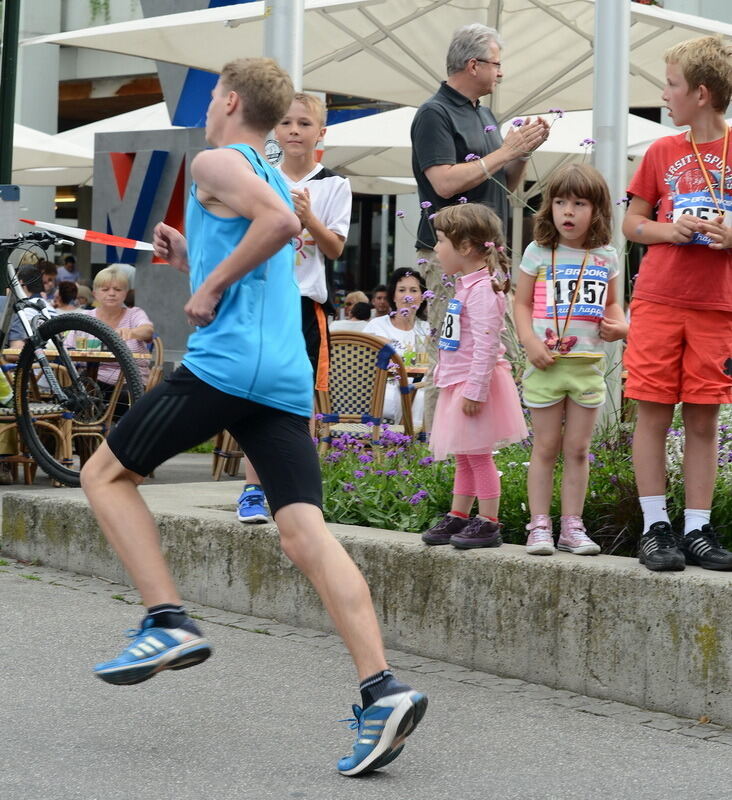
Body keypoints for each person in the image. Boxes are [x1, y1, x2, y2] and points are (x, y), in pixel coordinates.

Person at [79, 58, 426, 776]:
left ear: (230, 101)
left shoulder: (216, 160)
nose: (205, 113)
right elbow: (271, 237)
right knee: (304, 531)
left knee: (104, 474)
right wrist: (192, 258)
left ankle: (166, 619)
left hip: (229, 365)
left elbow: (268, 230)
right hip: (284, 379)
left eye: (210, 101)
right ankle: (380, 687)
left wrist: (205, 285)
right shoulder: (272, 174)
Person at [622, 35, 732, 572]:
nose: (664, 94)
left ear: (703, 94)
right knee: (653, 414)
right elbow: (631, 223)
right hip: (660, 300)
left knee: (704, 420)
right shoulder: (661, 152)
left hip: (718, 307)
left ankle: (697, 528)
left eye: (671, 84)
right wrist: (670, 229)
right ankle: (654, 526)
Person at [410, 23, 549, 428]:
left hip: (489, 255)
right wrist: (505, 149)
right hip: (451, 256)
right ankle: (442, 456)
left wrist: (520, 153)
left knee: (496, 351)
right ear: (473, 65)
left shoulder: (482, 113)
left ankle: (483, 447)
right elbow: (444, 182)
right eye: (496, 64)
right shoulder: (433, 113)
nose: (500, 73)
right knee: (450, 353)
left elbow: (501, 184)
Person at [235, 91, 352, 524]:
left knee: (299, 401)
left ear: (320, 133)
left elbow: (335, 248)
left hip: (305, 305)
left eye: (304, 124)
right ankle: (251, 488)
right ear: (275, 130)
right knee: (255, 394)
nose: (294, 131)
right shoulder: (261, 178)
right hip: (264, 301)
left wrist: (308, 217)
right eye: (286, 123)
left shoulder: (334, 184)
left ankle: (295, 493)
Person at [514, 164, 628, 556]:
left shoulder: (607, 255)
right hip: (546, 365)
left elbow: (613, 303)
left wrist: (620, 326)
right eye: (561, 201)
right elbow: (522, 302)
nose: (568, 211)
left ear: (597, 210)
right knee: (545, 447)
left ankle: (572, 526)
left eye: (579, 203)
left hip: (587, 368)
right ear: (550, 207)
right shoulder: (538, 251)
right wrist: (529, 342)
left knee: (578, 450)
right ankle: (539, 525)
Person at [421, 204, 527, 548]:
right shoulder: (468, 286)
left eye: (440, 241)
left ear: (465, 247)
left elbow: (486, 342)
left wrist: (476, 389)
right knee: (464, 454)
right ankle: (460, 514)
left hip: (473, 384)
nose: (436, 249)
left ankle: (489, 521)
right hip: (459, 381)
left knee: (478, 454)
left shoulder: (483, 290)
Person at [363, 268, 431, 428]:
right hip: (382, 389)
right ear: (393, 296)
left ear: (422, 297)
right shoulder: (377, 326)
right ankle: (406, 442)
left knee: (426, 397)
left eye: (414, 290)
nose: (407, 295)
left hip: (420, 389)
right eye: (401, 290)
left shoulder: (427, 330)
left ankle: (410, 443)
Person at [72, 266, 153, 389]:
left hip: (129, 382)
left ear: (125, 294)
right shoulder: (85, 317)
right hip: (91, 380)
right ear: (95, 294)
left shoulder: (134, 314)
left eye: (118, 289)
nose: (111, 293)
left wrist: (131, 332)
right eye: (105, 289)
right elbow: (68, 348)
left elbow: (148, 331)